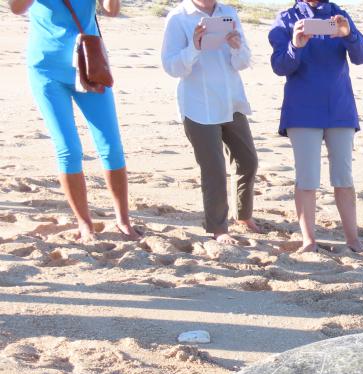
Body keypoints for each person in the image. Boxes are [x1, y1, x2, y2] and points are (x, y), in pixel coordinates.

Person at [11, 0, 138, 240]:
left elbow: (112, 11)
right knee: (68, 149)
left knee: (111, 146)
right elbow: (17, 8)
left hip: (89, 65)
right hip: (46, 70)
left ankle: (123, 220)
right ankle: (85, 223)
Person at [268, 0, 363, 253]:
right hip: (302, 111)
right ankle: (308, 240)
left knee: (343, 177)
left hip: (340, 109)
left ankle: (353, 239)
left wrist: (348, 34)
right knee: (307, 178)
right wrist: (295, 45)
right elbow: (280, 67)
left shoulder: (339, 15)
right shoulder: (286, 19)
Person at [161, 0, 259, 244]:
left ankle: (243, 215)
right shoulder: (178, 17)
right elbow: (171, 67)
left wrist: (237, 47)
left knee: (248, 161)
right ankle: (218, 228)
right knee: (214, 169)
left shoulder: (229, 12)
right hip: (198, 105)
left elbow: (243, 62)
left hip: (231, 101)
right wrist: (194, 47)